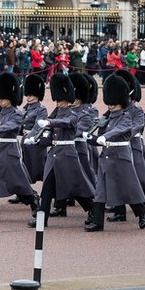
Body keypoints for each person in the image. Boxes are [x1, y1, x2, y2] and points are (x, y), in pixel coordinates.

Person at [25, 74, 95, 228]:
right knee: (47, 189)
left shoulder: (72, 115)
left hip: (67, 155)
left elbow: (66, 123)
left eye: (60, 100)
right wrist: (36, 140)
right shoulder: (56, 113)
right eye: (56, 100)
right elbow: (50, 137)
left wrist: (49, 122)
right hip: (54, 155)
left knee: (75, 187)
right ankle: (42, 218)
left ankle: (92, 209)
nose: (57, 102)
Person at [85, 74, 145, 232]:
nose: (110, 105)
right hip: (106, 157)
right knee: (100, 191)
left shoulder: (125, 117)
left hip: (121, 157)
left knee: (127, 188)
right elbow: (99, 139)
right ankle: (98, 223)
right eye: (109, 102)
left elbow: (120, 129)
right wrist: (89, 138)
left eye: (113, 103)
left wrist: (104, 136)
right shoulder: (107, 118)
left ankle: (141, 211)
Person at [0, 72, 38, 222]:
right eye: (0, 98)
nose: (1, 101)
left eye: (3, 98)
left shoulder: (16, 114)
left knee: (17, 182)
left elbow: (10, 126)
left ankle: (32, 199)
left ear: (10, 98)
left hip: (9, 152)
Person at [19, 74, 48, 186]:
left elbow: (38, 126)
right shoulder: (26, 108)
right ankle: (25, 192)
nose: (28, 98)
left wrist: (29, 137)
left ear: (37, 95)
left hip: (35, 143)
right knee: (24, 169)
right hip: (25, 142)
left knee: (38, 169)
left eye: (31, 95)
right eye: (27, 95)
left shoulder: (41, 109)